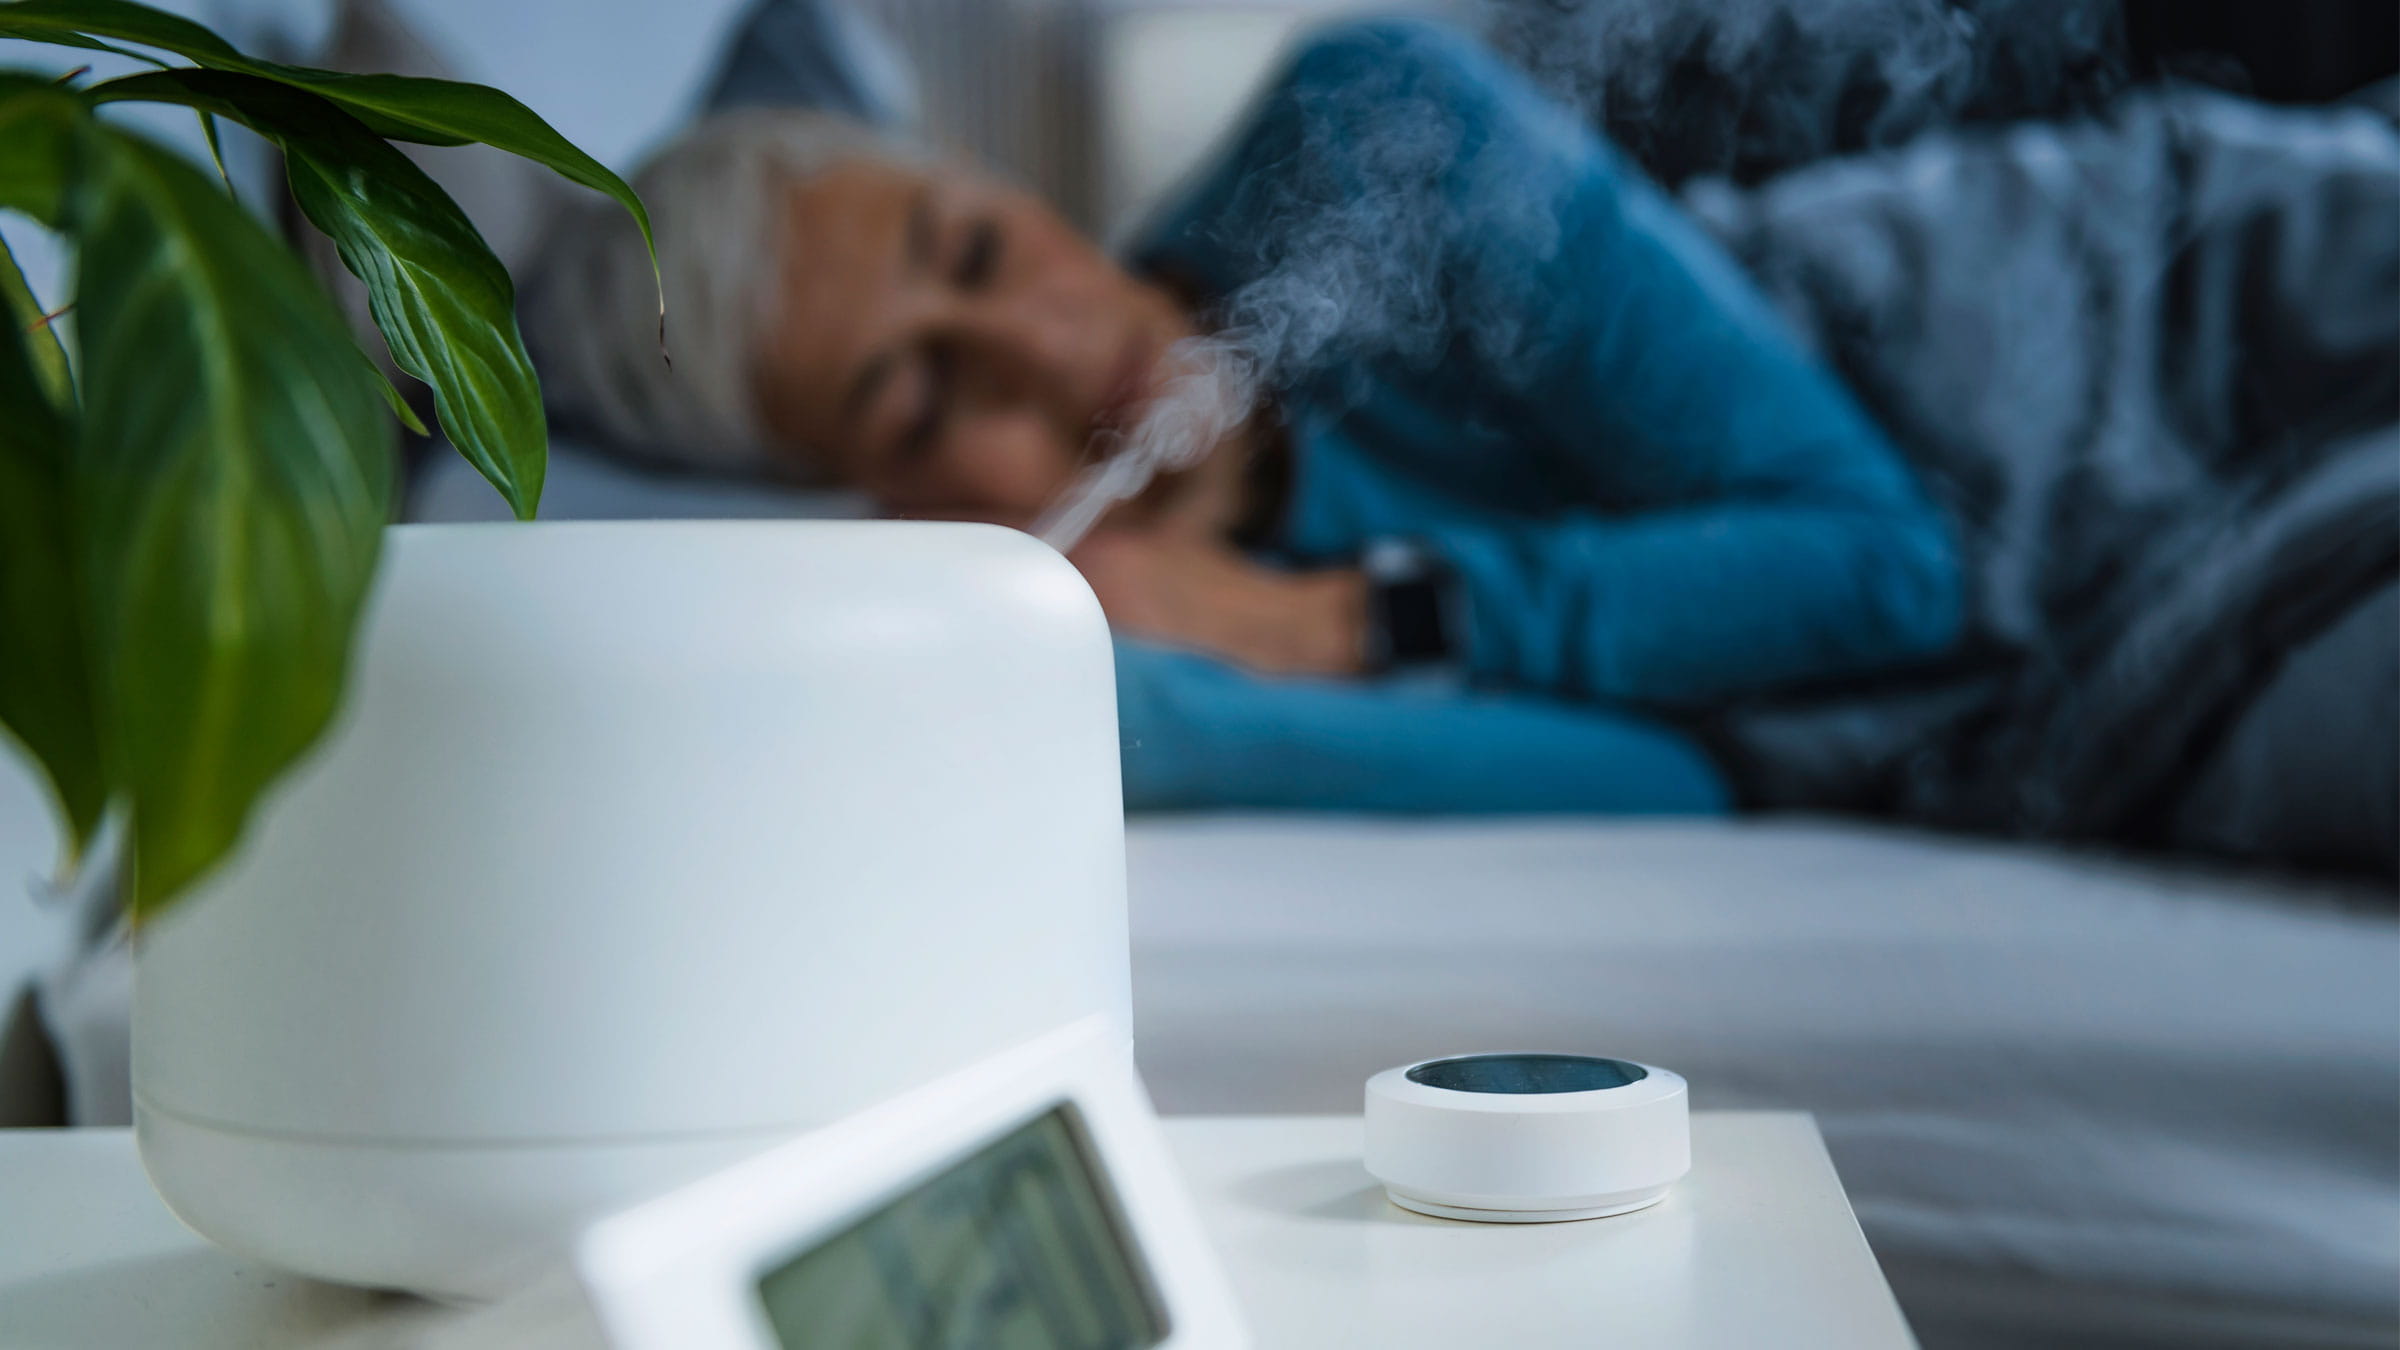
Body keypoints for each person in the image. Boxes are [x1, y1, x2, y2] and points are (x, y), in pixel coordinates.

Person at [527, 19, 2396, 878]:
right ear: (871, 513)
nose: (1047, 340)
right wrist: (1166, 679)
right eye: (922, 394)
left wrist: (1346, 625)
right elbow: (1695, 791)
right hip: (2177, 606)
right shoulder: (1151, 679)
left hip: (2222, 325)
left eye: (976, 248)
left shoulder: (1365, 133)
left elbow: (1875, 564)